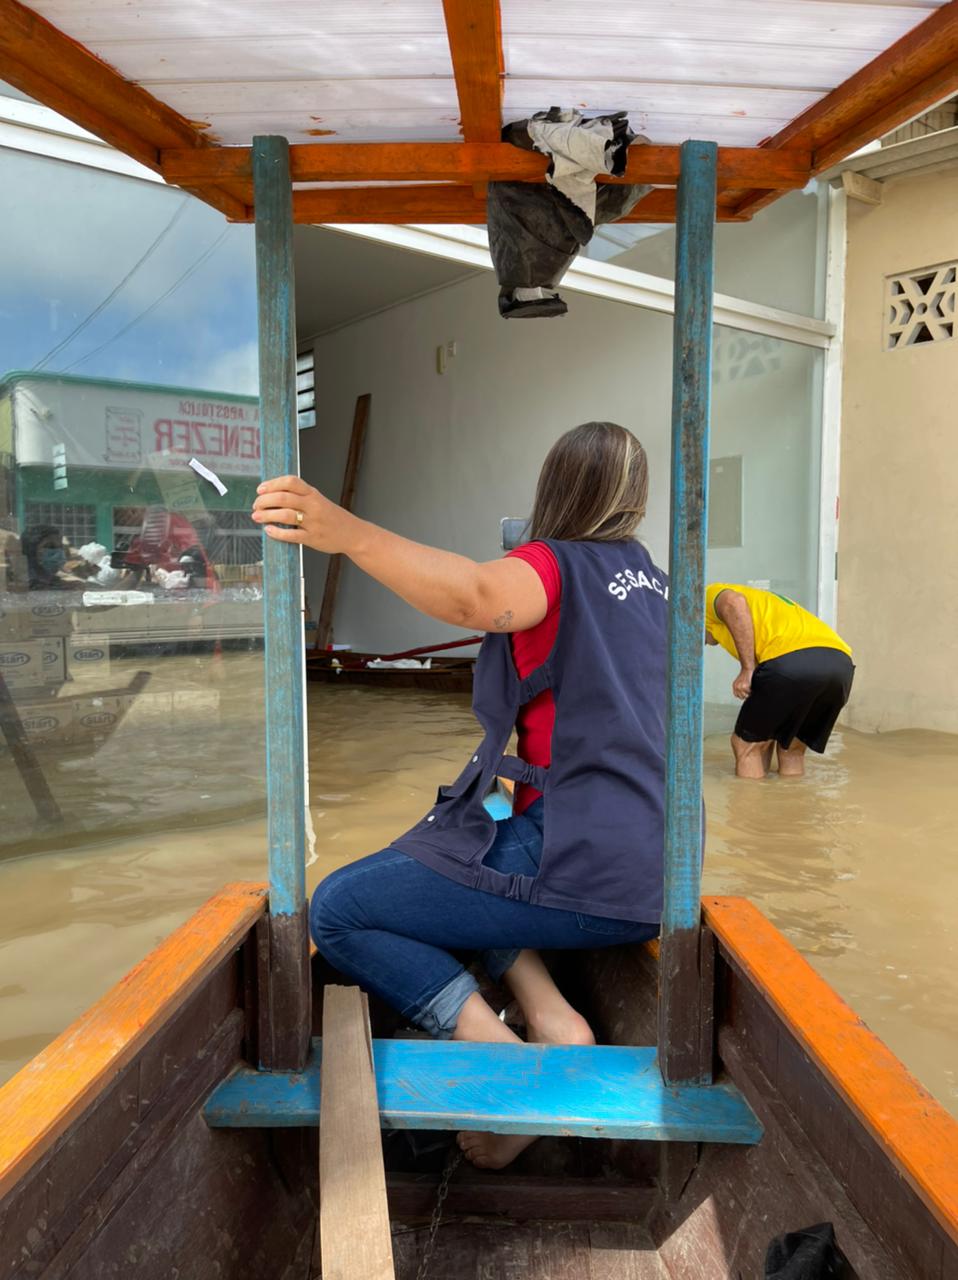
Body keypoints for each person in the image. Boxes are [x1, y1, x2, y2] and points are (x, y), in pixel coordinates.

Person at [252, 421, 668, 1170]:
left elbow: (476, 596)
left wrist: (345, 532)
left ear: (556, 489)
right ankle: (552, 1016)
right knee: (468, 825)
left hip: (581, 870)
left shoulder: (552, 566)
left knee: (341, 909)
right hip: (657, 871)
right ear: (633, 500)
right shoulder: (657, 583)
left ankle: (514, 1070)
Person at [705, 583, 854, 779]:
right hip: (839, 665)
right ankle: (788, 805)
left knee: (746, 746)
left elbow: (733, 603)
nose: (705, 643)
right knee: (790, 747)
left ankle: (749, 807)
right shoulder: (765, 606)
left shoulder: (705, 595)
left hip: (791, 660)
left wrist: (747, 669)